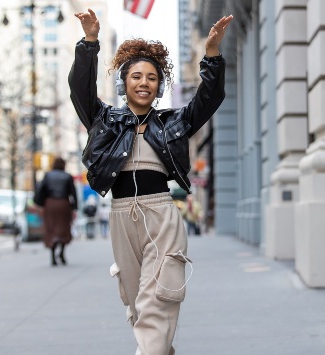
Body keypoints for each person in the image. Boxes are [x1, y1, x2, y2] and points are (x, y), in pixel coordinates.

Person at [71, 9, 232, 354]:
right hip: (120, 216)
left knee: (158, 298)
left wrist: (213, 54)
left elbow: (210, 98)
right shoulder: (104, 120)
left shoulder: (174, 121)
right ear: (124, 82)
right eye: (137, 76)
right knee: (136, 303)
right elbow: (79, 89)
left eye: (152, 78)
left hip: (162, 216)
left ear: (159, 86)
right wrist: (89, 43)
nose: (144, 83)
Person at [34, 157, 78, 266]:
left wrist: (40, 203)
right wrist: (74, 208)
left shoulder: (48, 176)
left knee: (51, 228)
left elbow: (40, 190)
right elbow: (73, 193)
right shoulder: (67, 176)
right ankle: (62, 253)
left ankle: (53, 256)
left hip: (50, 204)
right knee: (63, 228)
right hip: (64, 204)